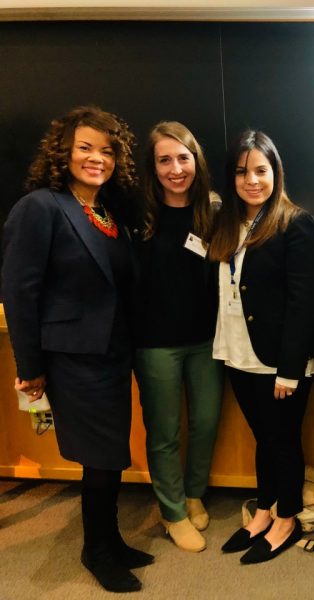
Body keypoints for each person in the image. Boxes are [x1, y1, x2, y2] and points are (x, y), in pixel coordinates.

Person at [2, 106, 151, 593]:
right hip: (70, 358)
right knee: (100, 455)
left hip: (111, 355)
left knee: (106, 455)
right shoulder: (41, 206)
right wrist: (30, 367)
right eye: (85, 147)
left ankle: (108, 539)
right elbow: (21, 292)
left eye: (107, 151)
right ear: (62, 151)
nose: (97, 158)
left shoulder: (108, 212)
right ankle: (97, 550)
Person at [208, 130, 314, 565]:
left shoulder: (295, 222)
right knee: (263, 437)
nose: (251, 180)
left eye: (260, 170)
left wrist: (290, 369)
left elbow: (303, 301)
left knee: (284, 440)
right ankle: (265, 509)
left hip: (280, 359)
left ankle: (287, 519)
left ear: (276, 171)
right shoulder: (227, 223)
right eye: (241, 172)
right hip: (237, 349)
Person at [133, 121, 224, 553]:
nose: (175, 168)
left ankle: (193, 494)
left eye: (182, 158)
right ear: (153, 167)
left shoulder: (214, 209)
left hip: (207, 339)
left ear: (195, 160)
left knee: (205, 422)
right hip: (155, 344)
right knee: (165, 431)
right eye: (164, 160)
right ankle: (172, 512)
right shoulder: (139, 213)